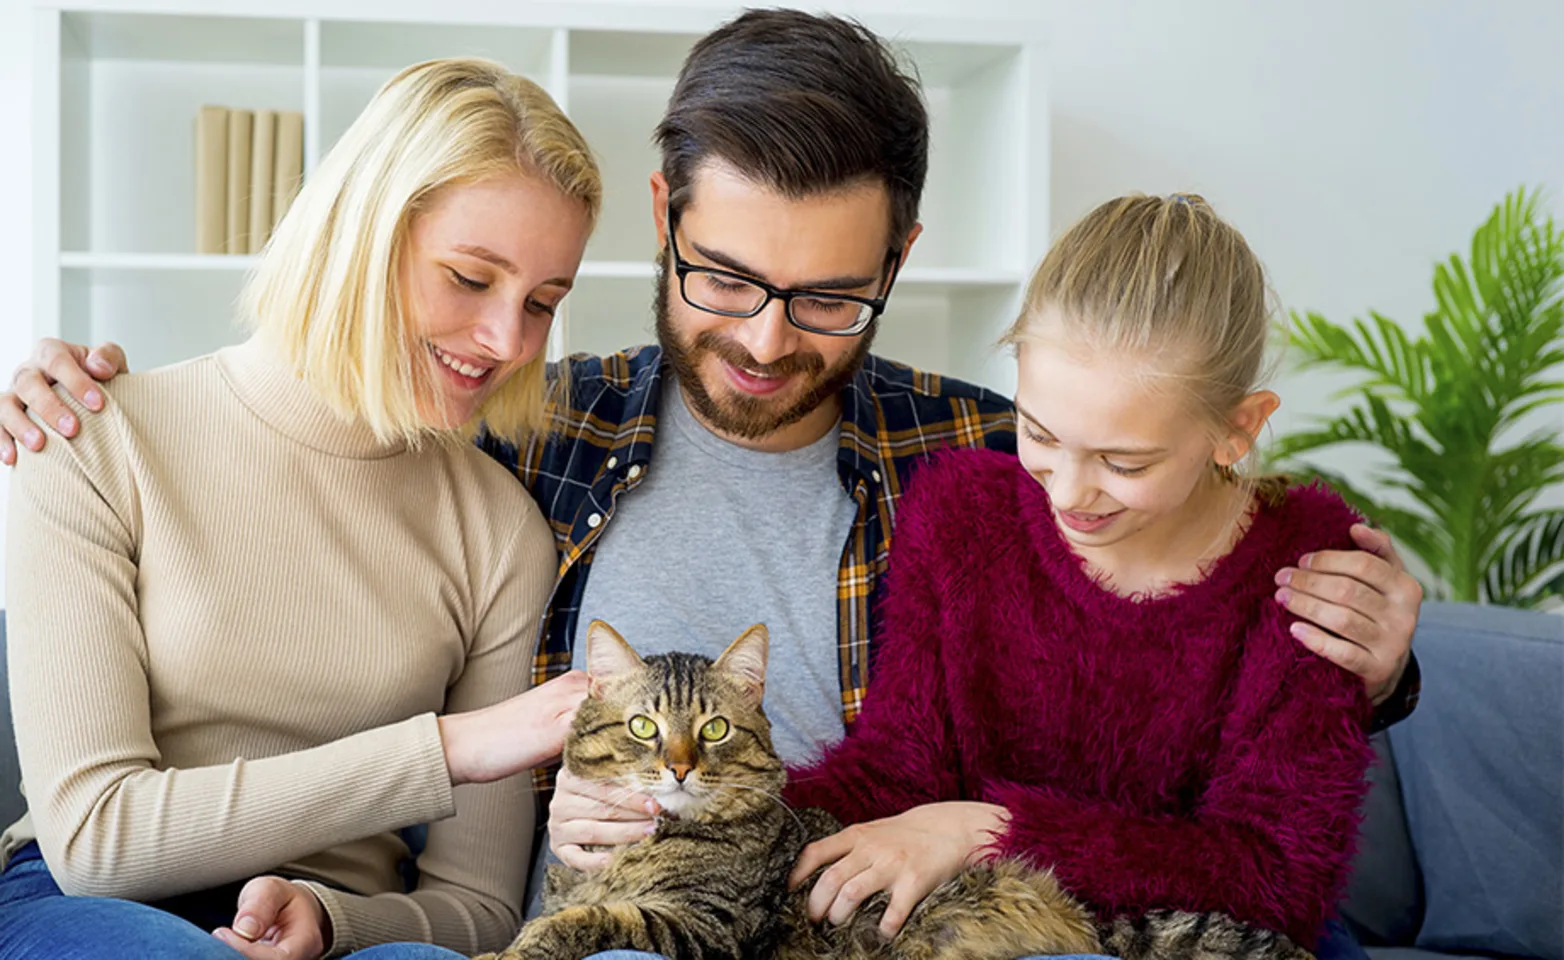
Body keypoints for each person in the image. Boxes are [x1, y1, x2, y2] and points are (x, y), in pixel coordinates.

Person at [0, 10, 1424, 959]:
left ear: (903, 263)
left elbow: (1185, 520)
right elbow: (315, 414)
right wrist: (56, 393)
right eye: (725, 277)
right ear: (667, 214)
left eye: (824, 301)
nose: (760, 337)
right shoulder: (527, 434)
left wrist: (1375, 645)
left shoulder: (992, 460)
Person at [0, 59, 599, 960]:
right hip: (94, 904)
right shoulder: (95, 438)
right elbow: (96, 840)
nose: (507, 341)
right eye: (470, 280)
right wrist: (443, 750)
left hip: (356, 928)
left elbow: (477, 908)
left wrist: (337, 921)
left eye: (543, 304)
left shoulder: (496, 527)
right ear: (360, 237)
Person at [784, 193, 1378, 952]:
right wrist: (690, 815)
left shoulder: (1309, 563)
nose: (1067, 493)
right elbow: (894, 778)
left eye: (1123, 462)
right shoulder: (963, 516)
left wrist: (993, 832)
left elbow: (1278, 876)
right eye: (1039, 433)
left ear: (1238, 430)